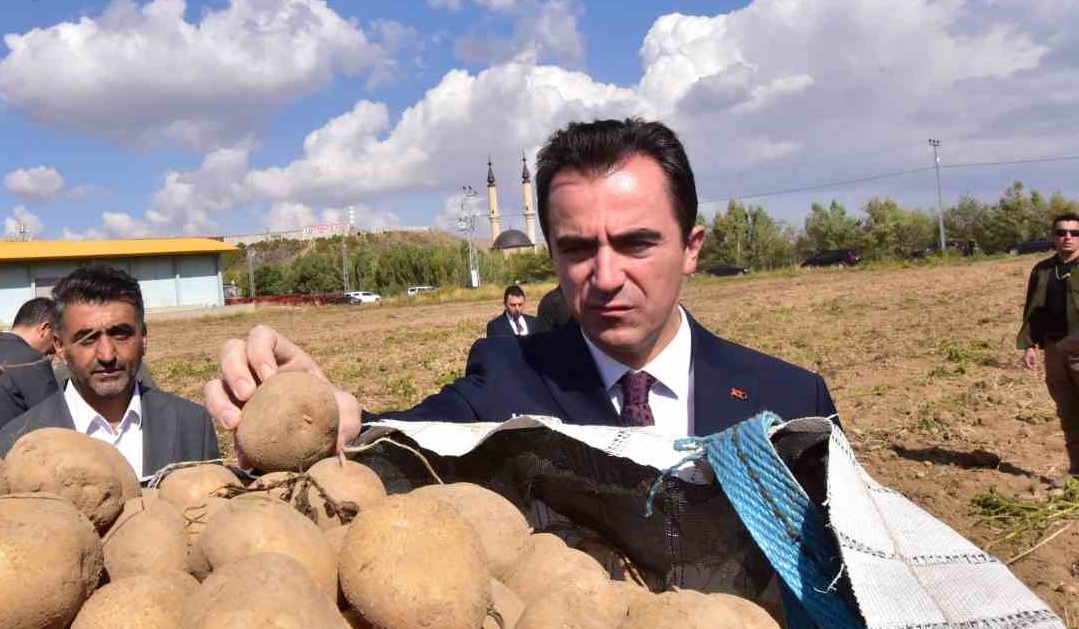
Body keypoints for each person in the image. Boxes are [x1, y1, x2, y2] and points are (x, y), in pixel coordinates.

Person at [208, 118, 836, 445]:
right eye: (578, 248)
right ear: (553, 256)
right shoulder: (507, 379)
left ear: (691, 248)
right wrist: (330, 413)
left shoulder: (791, 403)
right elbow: (398, 436)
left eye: (637, 243)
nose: (607, 276)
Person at [0, 265, 219, 477]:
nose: (107, 355)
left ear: (144, 338)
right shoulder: (12, 447)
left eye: (121, 334)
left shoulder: (193, 425)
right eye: (87, 339)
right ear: (60, 346)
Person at [1018, 212, 1079, 475]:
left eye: (1074, 233)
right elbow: (1033, 309)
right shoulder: (1043, 270)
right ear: (1053, 237)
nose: (1068, 237)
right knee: (1067, 410)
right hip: (1054, 349)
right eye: (1062, 232)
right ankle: (1077, 469)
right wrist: (1030, 345)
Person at [0, 297, 62, 444]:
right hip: (19, 459)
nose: (55, 348)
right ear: (44, 329)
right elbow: (55, 424)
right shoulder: (32, 359)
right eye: (56, 338)